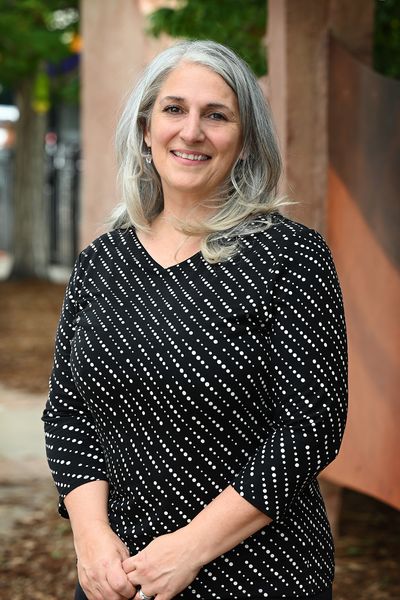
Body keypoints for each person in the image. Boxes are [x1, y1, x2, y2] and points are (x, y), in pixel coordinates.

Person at [42, 40, 347, 600]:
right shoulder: (101, 262)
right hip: (120, 578)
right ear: (144, 127)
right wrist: (91, 539)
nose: (191, 132)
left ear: (245, 139)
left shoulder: (290, 256)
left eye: (217, 115)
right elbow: (68, 415)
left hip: (260, 575)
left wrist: (191, 547)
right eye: (174, 109)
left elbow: (311, 426)